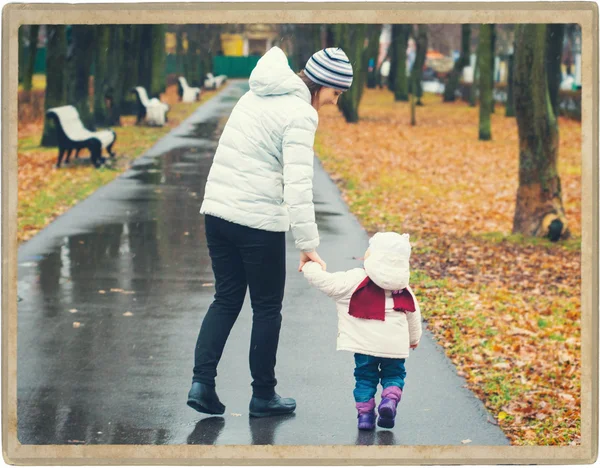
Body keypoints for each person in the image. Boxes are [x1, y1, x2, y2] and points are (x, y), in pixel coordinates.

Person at [188, 46, 354, 418]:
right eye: (335, 94)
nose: (334, 103)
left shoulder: (254, 94)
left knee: (226, 299)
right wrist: (308, 244)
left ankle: (202, 383)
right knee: (266, 308)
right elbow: (298, 184)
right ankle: (263, 396)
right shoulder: (299, 114)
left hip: (217, 212)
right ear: (323, 84)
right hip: (256, 223)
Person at [301, 232, 422, 430]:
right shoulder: (404, 288)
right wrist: (414, 339)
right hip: (394, 347)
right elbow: (413, 315)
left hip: (365, 347)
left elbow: (325, 282)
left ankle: (365, 417)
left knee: (365, 378)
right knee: (394, 375)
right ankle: (389, 401)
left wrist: (309, 265)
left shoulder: (355, 279)